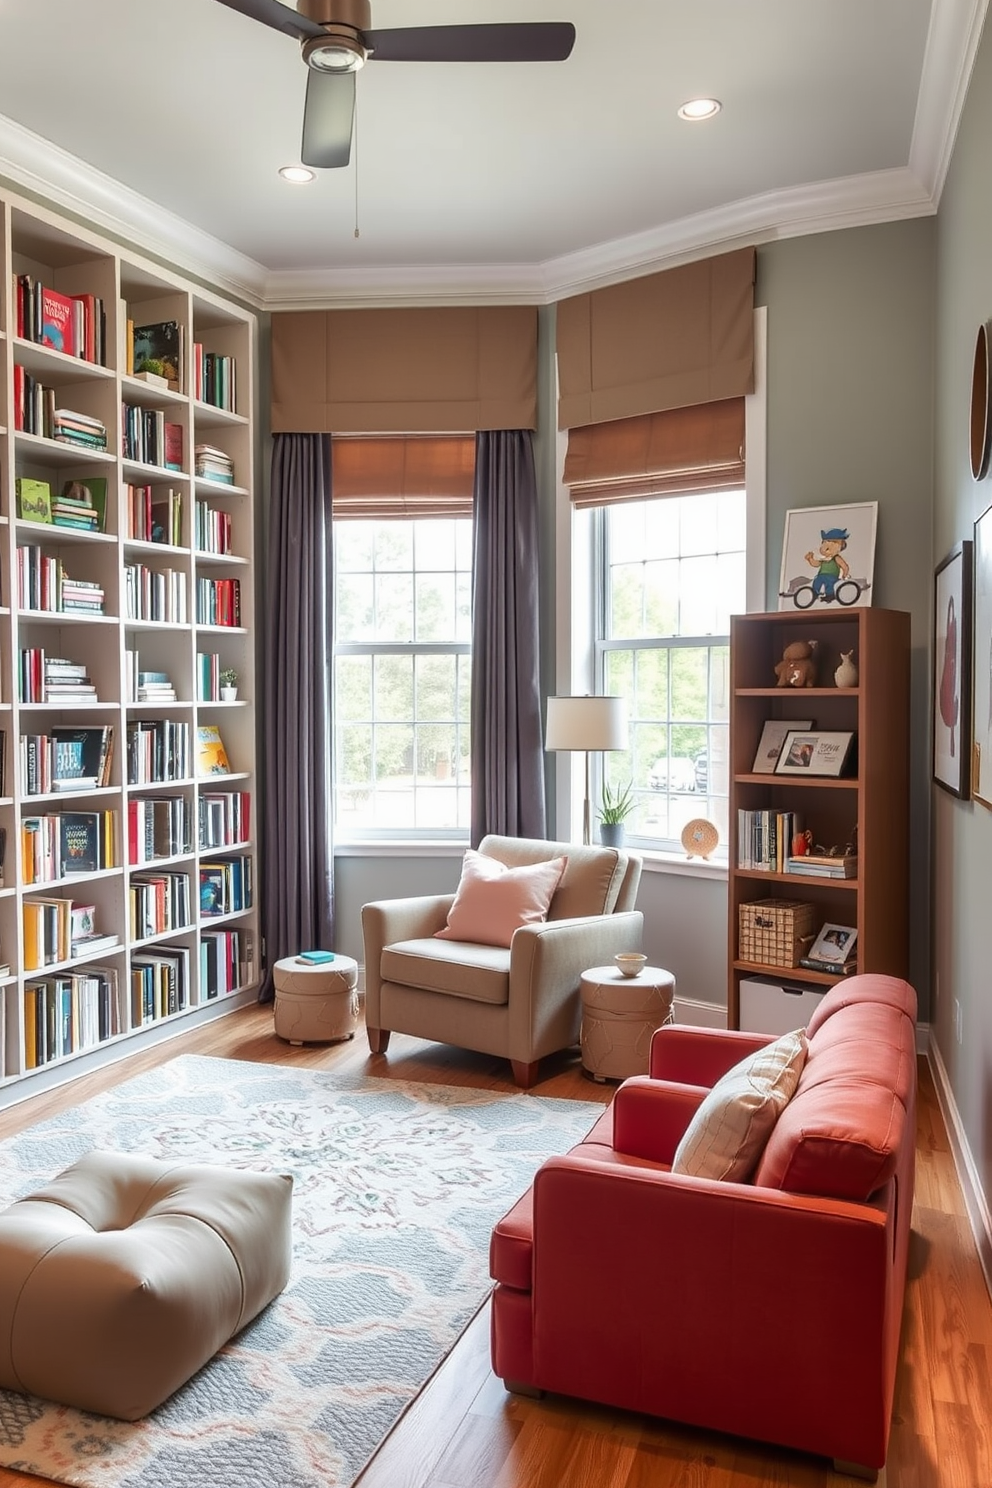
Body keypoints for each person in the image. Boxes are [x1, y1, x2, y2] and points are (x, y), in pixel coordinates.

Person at [805, 527, 850, 602]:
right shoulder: (823, 558)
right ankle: (815, 593)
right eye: (824, 543)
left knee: (829, 584)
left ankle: (830, 595)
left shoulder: (836, 558)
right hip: (821, 575)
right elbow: (817, 564)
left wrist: (844, 575)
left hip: (831, 576)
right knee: (817, 581)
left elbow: (844, 566)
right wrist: (810, 559)